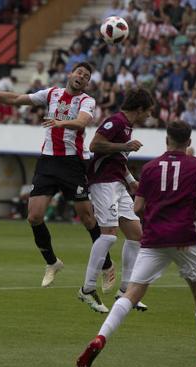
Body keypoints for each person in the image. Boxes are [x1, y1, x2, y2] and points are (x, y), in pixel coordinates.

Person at [76, 121, 196, 367]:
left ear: (166, 140)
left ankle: (100, 339)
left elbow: (137, 209)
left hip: (154, 239)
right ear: (189, 142)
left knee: (131, 295)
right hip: (185, 239)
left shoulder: (150, 168)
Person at [0, 62, 115, 288]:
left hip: (72, 163)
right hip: (47, 161)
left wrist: (60, 123)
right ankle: (52, 262)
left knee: (87, 218)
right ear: (70, 74)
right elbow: (17, 99)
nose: (82, 77)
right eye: (79, 72)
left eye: (86, 76)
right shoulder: (51, 93)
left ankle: (106, 265)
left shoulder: (87, 101)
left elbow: (81, 123)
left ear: (87, 83)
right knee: (34, 216)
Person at [78, 88, 154, 313]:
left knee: (137, 235)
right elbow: (95, 145)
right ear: (139, 109)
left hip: (118, 183)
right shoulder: (116, 122)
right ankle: (87, 289)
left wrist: (131, 180)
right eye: (148, 111)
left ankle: (125, 291)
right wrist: (125, 146)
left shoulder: (127, 127)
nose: (149, 116)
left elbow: (117, 161)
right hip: (103, 183)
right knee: (109, 235)